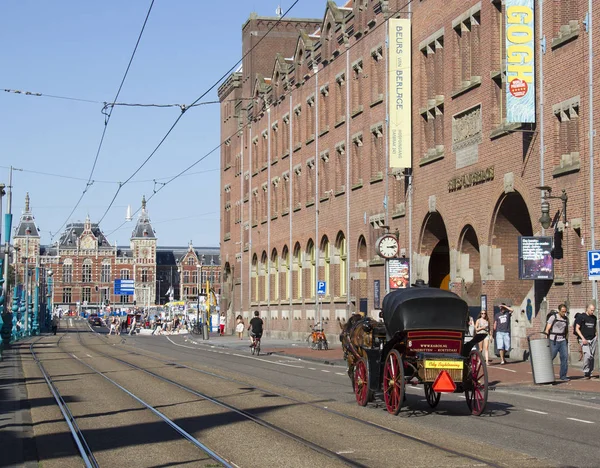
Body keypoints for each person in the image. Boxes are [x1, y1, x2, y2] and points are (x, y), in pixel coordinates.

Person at [544, 304, 569, 381]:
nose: (564, 313)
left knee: (564, 357)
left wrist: (566, 339)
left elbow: (566, 330)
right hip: (553, 340)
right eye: (562, 311)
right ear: (559, 311)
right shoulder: (553, 317)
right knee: (551, 357)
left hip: (562, 340)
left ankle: (563, 376)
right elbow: (547, 329)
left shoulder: (566, 319)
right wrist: (546, 338)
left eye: (565, 311)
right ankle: (545, 373)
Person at [575, 302, 597, 379]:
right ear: (587, 309)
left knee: (592, 356)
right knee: (588, 356)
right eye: (591, 310)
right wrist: (583, 338)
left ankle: (590, 372)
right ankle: (586, 372)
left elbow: (595, 327)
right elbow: (577, 328)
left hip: (593, 338)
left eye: (593, 310)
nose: (592, 312)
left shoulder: (594, 318)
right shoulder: (581, 317)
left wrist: (596, 335)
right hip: (584, 339)